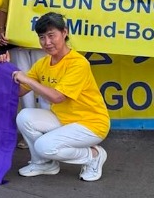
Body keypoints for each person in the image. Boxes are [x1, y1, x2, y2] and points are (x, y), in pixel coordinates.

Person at [14, 12, 109, 182]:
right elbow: (20, 90)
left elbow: (58, 97)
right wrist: (4, 69)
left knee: (44, 145)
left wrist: (27, 79)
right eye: (42, 37)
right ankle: (44, 163)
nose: (47, 42)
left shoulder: (78, 63)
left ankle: (93, 155)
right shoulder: (43, 63)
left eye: (52, 36)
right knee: (24, 116)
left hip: (91, 124)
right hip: (63, 119)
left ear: (64, 33)